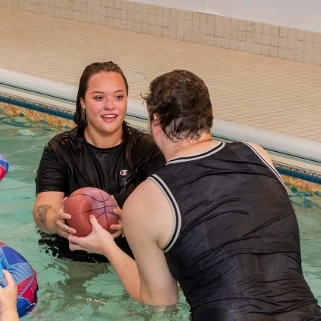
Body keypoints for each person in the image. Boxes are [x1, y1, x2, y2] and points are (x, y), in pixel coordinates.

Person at [68, 69, 321, 320]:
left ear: (155, 122)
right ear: (210, 114)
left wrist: (107, 247)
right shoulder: (257, 155)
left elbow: (160, 302)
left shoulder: (146, 199)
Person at [33, 61, 165, 262]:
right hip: (72, 252)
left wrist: (130, 224)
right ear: (83, 102)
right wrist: (56, 221)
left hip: (128, 251)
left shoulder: (146, 151)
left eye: (118, 97)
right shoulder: (61, 149)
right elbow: (43, 208)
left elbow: (163, 216)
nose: (110, 106)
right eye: (99, 98)